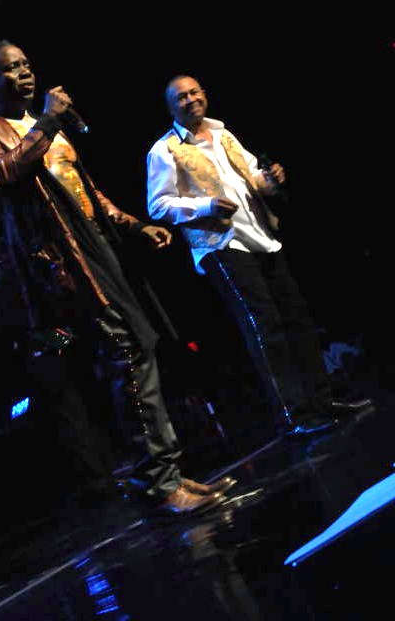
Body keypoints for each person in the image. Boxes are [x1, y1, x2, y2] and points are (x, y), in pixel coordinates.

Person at [0, 41, 234, 517]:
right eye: (10, 69)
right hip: (60, 265)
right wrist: (46, 123)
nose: (24, 73)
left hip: (96, 249)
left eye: (26, 64)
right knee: (127, 353)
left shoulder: (44, 126)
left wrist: (134, 225)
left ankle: (162, 473)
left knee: (140, 348)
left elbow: (85, 191)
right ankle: (158, 481)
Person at [146, 75, 372, 436]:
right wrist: (204, 205)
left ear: (204, 94)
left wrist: (269, 178)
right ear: (171, 108)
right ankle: (296, 415)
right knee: (266, 327)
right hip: (221, 244)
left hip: (261, 236)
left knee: (297, 318)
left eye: (194, 92)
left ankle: (323, 399)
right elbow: (158, 204)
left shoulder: (223, 134)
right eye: (181, 97)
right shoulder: (164, 150)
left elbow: (252, 175)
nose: (190, 100)